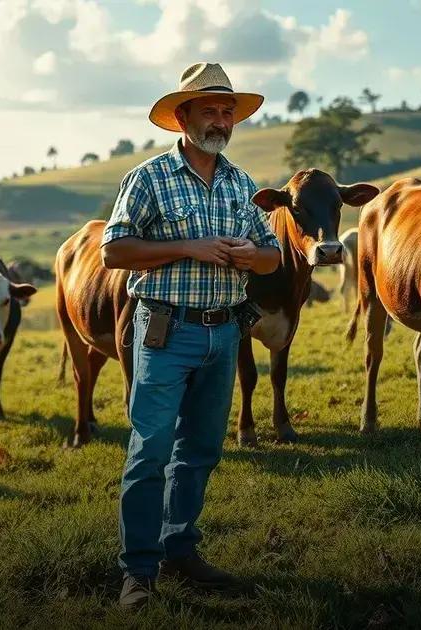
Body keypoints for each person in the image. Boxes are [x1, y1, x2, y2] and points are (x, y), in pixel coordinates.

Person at [101, 62, 281, 610]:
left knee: (200, 450)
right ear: (183, 116)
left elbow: (273, 257)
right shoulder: (149, 178)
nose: (222, 121)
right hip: (164, 331)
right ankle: (138, 572)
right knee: (150, 449)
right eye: (211, 110)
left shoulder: (240, 182)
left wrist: (255, 256)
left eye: (229, 112)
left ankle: (180, 550)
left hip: (224, 334)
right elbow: (114, 251)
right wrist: (189, 247)